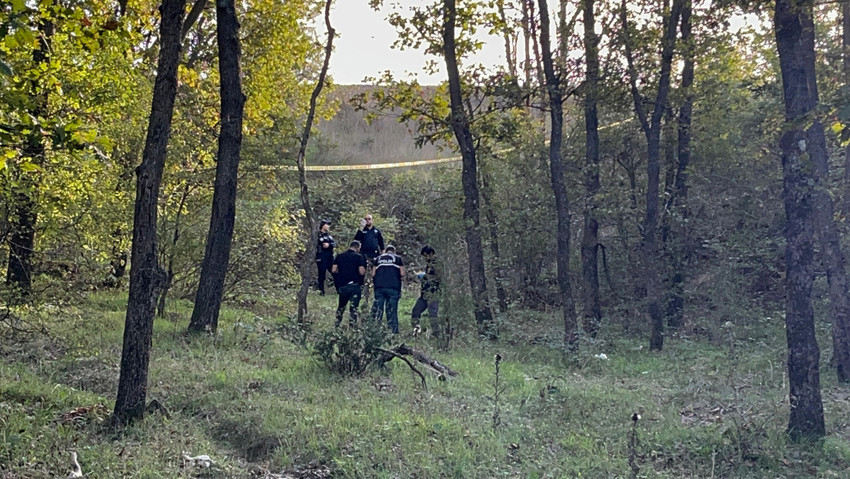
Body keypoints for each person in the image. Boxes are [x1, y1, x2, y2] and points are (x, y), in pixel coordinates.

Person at [332, 240, 367, 327]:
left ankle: (337, 325)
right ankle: (352, 327)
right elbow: (361, 271)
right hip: (354, 286)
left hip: (343, 285)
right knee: (353, 308)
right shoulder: (359, 257)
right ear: (358, 248)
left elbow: (333, 269)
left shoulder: (340, 256)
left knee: (341, 307)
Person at [371, 245, 405, 334]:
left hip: (379, 287)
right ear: (394, 251)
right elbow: (402, 273)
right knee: (392, 311)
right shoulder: (398, 259)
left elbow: (373, 274)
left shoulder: (377, 259)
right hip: (393, 288)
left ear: (386, 251)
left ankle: (375, 331)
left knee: (378, 310)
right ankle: (393, 332)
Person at [411, 246, 441, 338]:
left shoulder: (436, 263)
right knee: (416, 311)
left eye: (426, 256)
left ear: (431, 254)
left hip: (432, 293)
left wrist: (426, 276)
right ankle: (416, 331)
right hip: (424, 294)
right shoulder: (429, 264)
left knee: (432, 314)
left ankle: (436, 334)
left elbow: (439, 277)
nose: (425, 258)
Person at [315, 219, 335, 295]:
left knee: (334, 272)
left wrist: (329, 245)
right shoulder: (318, 235)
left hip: (330, 257)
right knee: (321, 274)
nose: (328, 226)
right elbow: (323, 244)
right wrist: (329, 245)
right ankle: (321, 291)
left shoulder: (328, 236)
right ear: (323, 225)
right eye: (327, 224)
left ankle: (338, 289)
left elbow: (333, 244)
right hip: (321, 256)